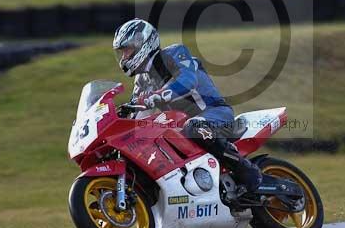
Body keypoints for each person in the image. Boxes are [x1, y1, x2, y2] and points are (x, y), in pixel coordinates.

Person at [112, 18, 262, 193]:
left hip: (215, 113)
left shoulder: (174, 53)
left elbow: (188, 80)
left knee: (194, 127)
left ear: (142, 43)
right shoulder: (141, 80)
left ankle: (248, 172)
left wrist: (157, 95)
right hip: (179, 128)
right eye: (122, 52)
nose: (124, 57)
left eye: (127, 50)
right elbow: (136, 116)